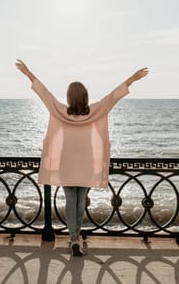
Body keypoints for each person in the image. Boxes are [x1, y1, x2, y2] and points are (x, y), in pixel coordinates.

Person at [15, 59, 148, 256]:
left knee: (71, 201)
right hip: (86, 163)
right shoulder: (95, 111)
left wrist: (27, 72)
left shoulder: (60, 110)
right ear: (85, 97)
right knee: (80, 201)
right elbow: (113, 97)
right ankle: (75, 237)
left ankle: (73, 238)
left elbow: (44, 93)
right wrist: (133, 79)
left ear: (69, 98)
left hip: (66, 163)